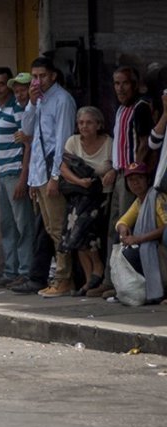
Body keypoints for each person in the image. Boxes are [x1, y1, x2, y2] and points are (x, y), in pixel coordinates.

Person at [96, 66, 155, 298]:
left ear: (134, 84)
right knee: (114, 227)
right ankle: (113, 279)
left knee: (128, 227)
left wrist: (134, 173)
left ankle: (129, 280)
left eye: (125, 83)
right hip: (120, 175)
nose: (120, 88)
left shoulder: (140, 108)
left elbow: (144, 144)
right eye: (116, 83)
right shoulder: (121, 109)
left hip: (132, 177)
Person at [21, 57, 77, 298]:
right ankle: (60, 277)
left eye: (42, 76)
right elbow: (28, 131)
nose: (37, 81)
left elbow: (62, 141)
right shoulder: (40, 100)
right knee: (49, 228)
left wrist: (55, 177)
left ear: (53, 76)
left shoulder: (62, 100)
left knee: (58, 229)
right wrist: (31, 104)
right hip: (39, 175)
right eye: (34, 76)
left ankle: (65, 279)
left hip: (53, 174)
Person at [58, 107, 114, 296]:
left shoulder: (108, 143)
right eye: (81, 123)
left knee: (83, 229)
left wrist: (112, 173)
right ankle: (91, 277)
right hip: (78, 193)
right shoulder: (73, 142)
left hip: (100, 196)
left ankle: (96, 270)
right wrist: (79, 181)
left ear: (98, 124)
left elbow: (116, 165)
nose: (84, 126)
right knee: (78, 232)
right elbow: (63, 168)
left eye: (89, 122)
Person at [0, 67, 35, 288]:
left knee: (22, 225)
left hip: (16, 173)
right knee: (7, 225)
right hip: (3, 173)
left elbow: (27, 144)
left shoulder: (18, 109)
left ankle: (25, 271)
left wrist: (22, 178)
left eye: (1, 84)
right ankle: (11, 270)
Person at [115, 162, 167, 304]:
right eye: (131, 180)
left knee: (140, 250)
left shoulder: (157, 197)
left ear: (147, 180)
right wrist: (123, 231)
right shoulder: (139, 201)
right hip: (152, 244)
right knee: (129, 253)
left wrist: (139, 238)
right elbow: (122, 221)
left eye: (139, 178)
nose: (135, 183)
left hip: (162, 244)